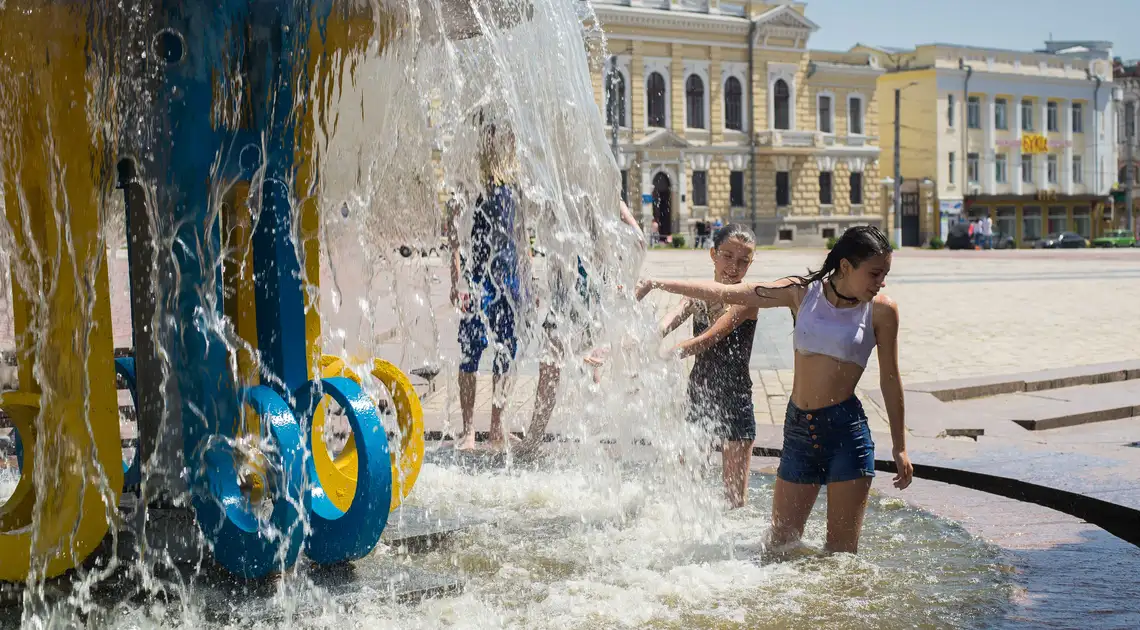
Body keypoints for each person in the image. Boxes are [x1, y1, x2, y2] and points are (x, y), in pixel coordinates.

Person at [636, 225, 913, 554]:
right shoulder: (802, 292)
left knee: (841, 557)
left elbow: (890, 379)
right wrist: (657, 283)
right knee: (780, 546)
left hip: (846, 433)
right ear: (846, 267)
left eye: (885, 274)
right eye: (875, 273)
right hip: (799, 431)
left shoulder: (882, 310)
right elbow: (735, 292)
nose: (881, 282)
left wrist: (900, 446)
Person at [520, 199, 645, 456]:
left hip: (583, 289)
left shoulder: (597, 193)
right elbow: (639, 240)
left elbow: (639, 240)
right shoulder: (574, 190)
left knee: (552, 364)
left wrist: (623, 281)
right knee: (576, 365)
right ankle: (596, 439)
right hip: (573, 290)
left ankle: (536, 439)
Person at [656, 224, 758, 508]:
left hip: (736, 399)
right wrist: (634, 344)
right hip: (699, 395)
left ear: (751, 262)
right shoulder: (698, 296)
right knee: (686, 487)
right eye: (727, 256)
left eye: (743, 261)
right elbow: (667, 321)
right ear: (713, 254)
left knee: (735, 499)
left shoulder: (747, 299)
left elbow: (706, 340)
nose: (734, 267)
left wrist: (663, 356)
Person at [445, 117, 531, 451]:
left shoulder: (516, 183)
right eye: (500, 135)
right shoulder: (469, 181)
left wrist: (528, 281)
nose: (508, 140)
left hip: (509, 277)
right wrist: (456, 278)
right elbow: (452, 232)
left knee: (506, 353)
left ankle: (496, 426)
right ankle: (468, 430)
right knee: (470, 351)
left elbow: (522, 236)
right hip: (477, 278)